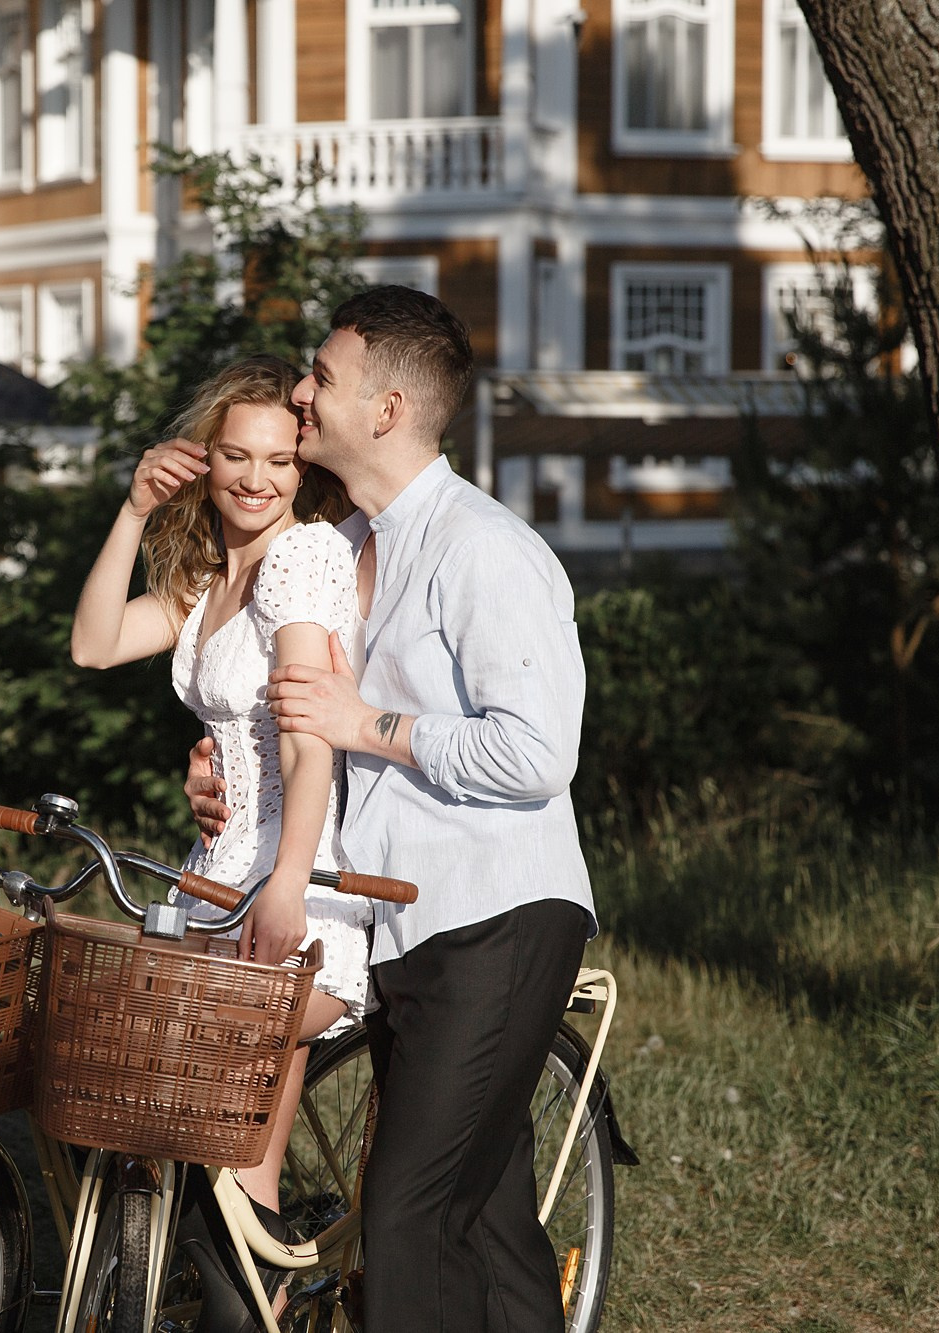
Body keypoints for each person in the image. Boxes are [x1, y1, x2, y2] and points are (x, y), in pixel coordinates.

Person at [191, 287, 595, 1333]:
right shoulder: (345, 542)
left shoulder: (482, 548)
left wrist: (365, 723)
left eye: (321, 376)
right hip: (401, 921)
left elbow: (536, 752)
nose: (299, 391)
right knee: (483, 1216)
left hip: (494, 913)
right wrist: (231, 772)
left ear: (386, 408)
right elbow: (303, 726)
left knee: (408, 1210)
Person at [69, 354, 368, 1326]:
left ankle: (252, 1298)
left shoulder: (301, 557)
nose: (257, 478)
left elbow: (309, 741)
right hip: (213, 877)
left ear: (301, 468)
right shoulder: (209, 578)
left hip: (295, 882)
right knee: (187, 1143)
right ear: (205, 460)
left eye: (280, 460)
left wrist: (287, 885)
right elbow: (93, 644)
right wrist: (131, 511)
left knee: (228, 1170)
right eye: (237, 456)